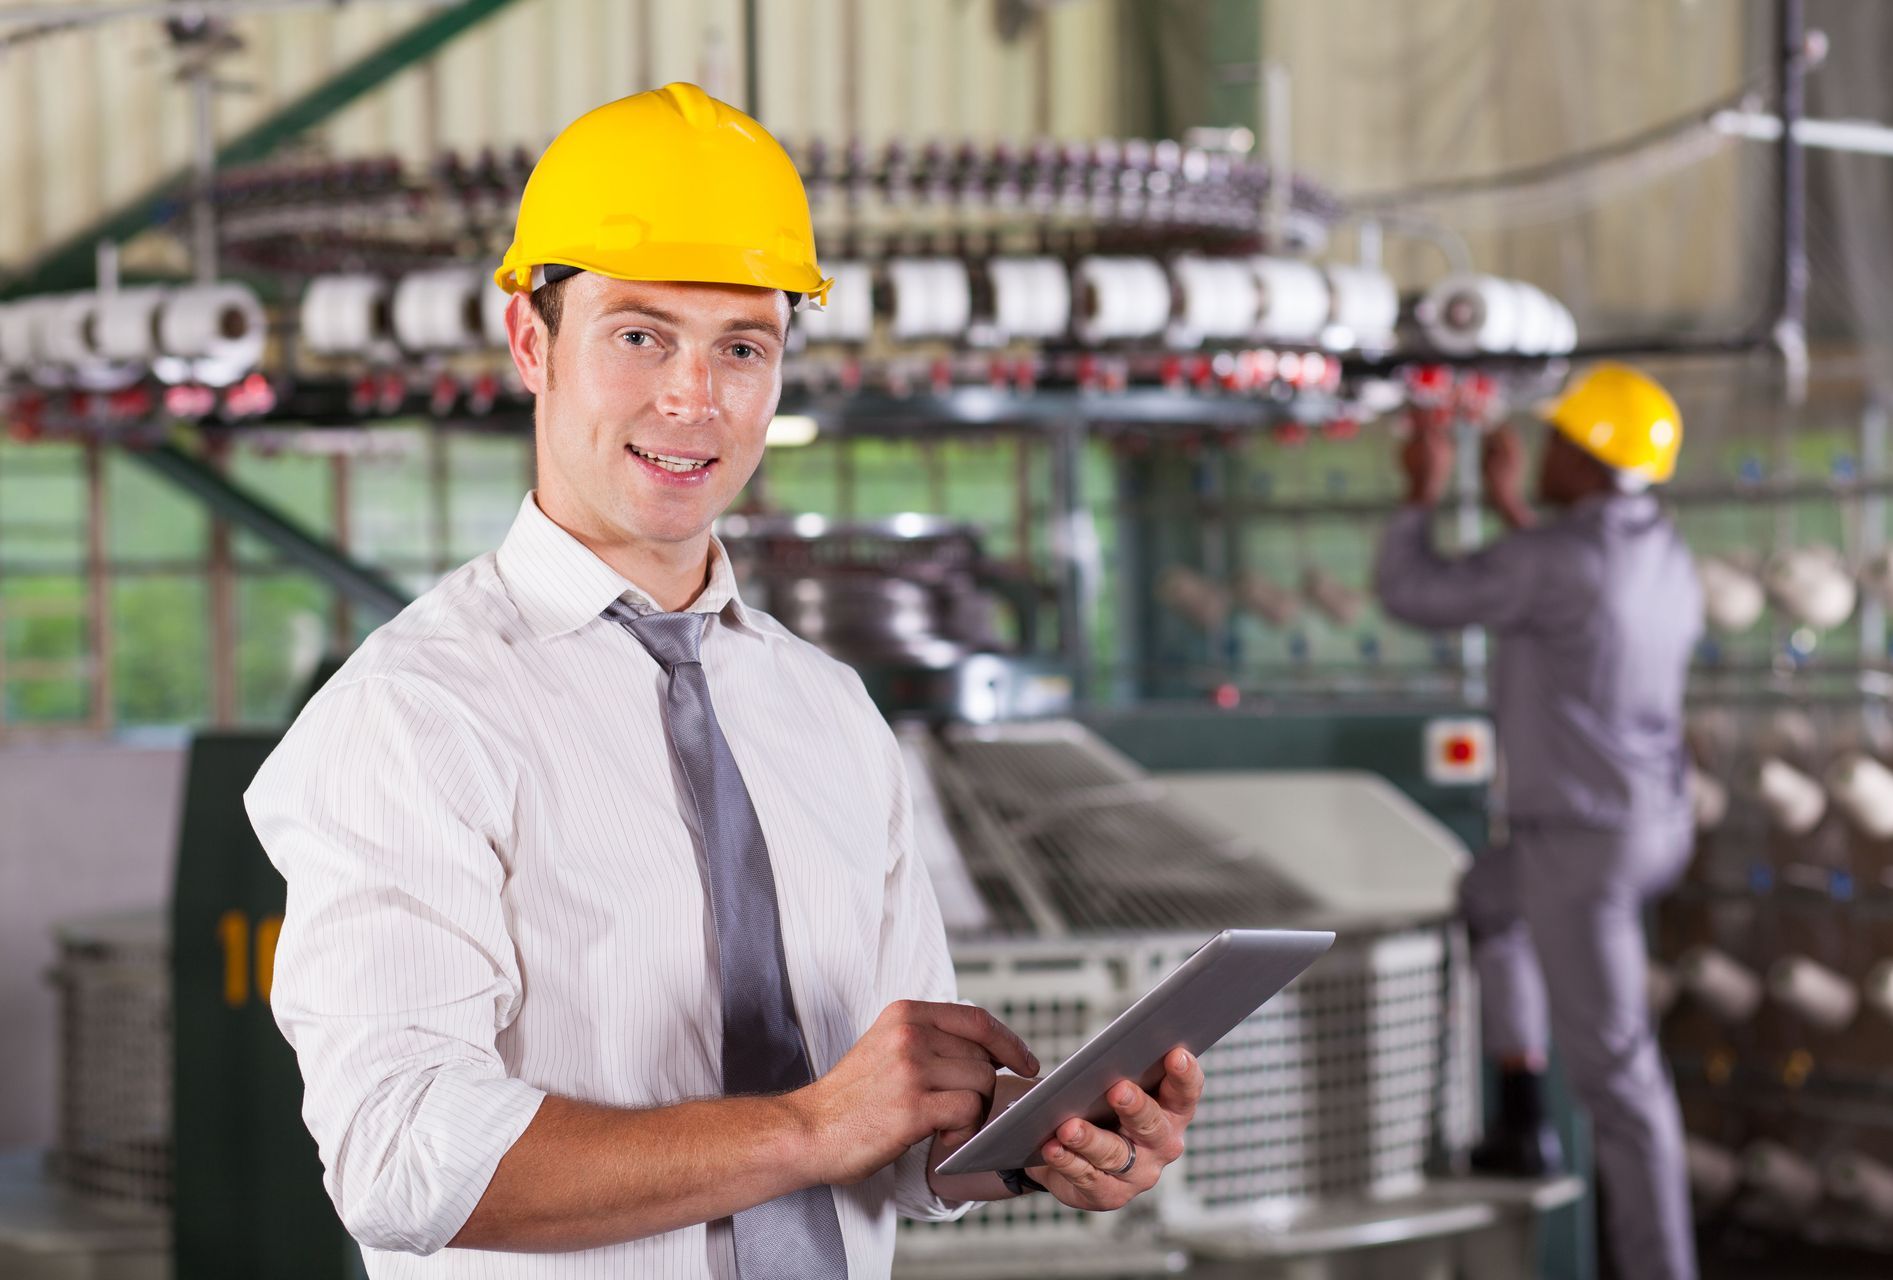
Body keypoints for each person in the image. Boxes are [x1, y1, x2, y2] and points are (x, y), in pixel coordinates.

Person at [245, 82, 1203, 1279]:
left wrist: (1024, 1141)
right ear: (531, 340)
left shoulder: (829, 711)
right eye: (641, 334)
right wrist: (811, 1125)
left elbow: (884, 1131)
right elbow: (397, 1159)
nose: (694, 400)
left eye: (742, 347)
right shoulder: (414, 713)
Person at [1374, 364, 1701, 1280]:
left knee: (1621, 1086)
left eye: (1559, 439)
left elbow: (1416, 592)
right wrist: (1512, 508)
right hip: (1644, 829)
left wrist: (1422, 494)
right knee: (1487, 897)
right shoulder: (1657, 552)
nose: (1544, 448)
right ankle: (1522, 1117)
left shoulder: (1555, 561)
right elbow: (1567, 596)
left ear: (1590, 459)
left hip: (1581, 848)